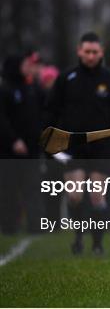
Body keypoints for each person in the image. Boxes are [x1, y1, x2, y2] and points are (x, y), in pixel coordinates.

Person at [44, 32, 110, 255]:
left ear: (101, 53)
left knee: (97, 195)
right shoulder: (66, 79)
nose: (90, 56)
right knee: (75, 194)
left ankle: (97, 243)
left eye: (95, 52)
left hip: (102, 147)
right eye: (86, 52)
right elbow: (50, 111)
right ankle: (78, 237)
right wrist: (49, 139)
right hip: (72, 146)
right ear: (79, 51)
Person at [0, 52, 45, 234]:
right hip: (10, 150)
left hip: (32, 149)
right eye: (24, 64)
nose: (28, 68)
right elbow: (2, 120)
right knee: (9, 189)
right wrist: (14, 140)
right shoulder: (5, 90)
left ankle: (36, 225)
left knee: (33, 187)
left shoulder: (30, 88)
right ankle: (9, 225)